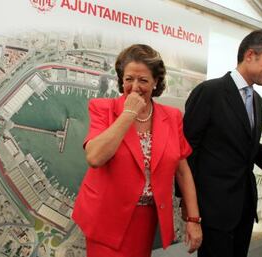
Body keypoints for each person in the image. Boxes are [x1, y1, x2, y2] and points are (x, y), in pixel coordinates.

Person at [72, 44, 202, 257]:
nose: (135, 86)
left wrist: (193, 219)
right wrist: (128, 113)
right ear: (121, 79)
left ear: (155, 82)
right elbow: (95, 157)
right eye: (129, 79)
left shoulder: (172, 117)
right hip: (105, 216)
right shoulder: (103, 108)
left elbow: (182, 171)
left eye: (143, 80)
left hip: (145, 218)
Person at [180, 30, 262, 257]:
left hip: (244, 208)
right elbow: (186, 152)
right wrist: (190, 211)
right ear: (250, 55)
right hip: (213, 209)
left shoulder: (257, 100)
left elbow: (232, 140)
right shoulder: (209, 92)